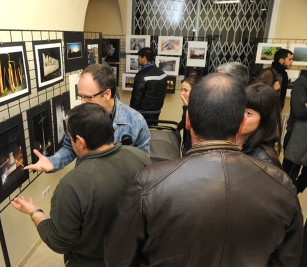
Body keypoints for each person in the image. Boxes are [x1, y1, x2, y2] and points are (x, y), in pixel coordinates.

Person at [104, 73, 303, 267]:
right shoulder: (282, 185)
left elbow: (117, 258)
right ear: (242, 123)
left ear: (188, 119)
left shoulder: (148, 184)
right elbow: (287, 259)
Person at [12, 103, 151, 267]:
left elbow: (58, 242)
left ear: (80, 141)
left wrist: (34, 212)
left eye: (70, 137)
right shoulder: (140, 157)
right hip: (135, 256)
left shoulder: (72, 185)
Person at [25, 64, 150, 173]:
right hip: (87, 187)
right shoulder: (79, 116)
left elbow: (143, 165)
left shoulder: (136, 122)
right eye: (81, 96)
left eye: (88, 97)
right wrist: (52, 162)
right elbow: (69, 147)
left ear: (107, 94)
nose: (82, 103)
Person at [236, 83, 282, 168]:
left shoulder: (263, 161)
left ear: (264, 119)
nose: (239, 116)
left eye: (248, 113)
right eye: (239, 109)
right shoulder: (227, 137)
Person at [282, 73, 307, 193]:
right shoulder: (302, 82)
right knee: (288, 175)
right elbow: (300, 111)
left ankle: (292, 196)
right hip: (296, 136)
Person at [130, 47, 167, 124]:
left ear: (144, 58)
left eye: (139, 57)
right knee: (153, 132)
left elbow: (136, 96)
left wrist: (131, 112)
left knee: (142, 134)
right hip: (157, 111)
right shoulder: (162, 73)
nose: (138, 59)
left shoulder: (142, 75)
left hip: (143, 113)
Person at [176, 75, 201, 156]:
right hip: (187, 146)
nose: (182, 93)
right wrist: (178, 127)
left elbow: (189, 124)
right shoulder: (191, 104)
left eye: (185, 90)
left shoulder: (201, 107)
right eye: (182, 90)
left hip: (194, 149)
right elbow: (184, 121)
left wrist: (186, 107)